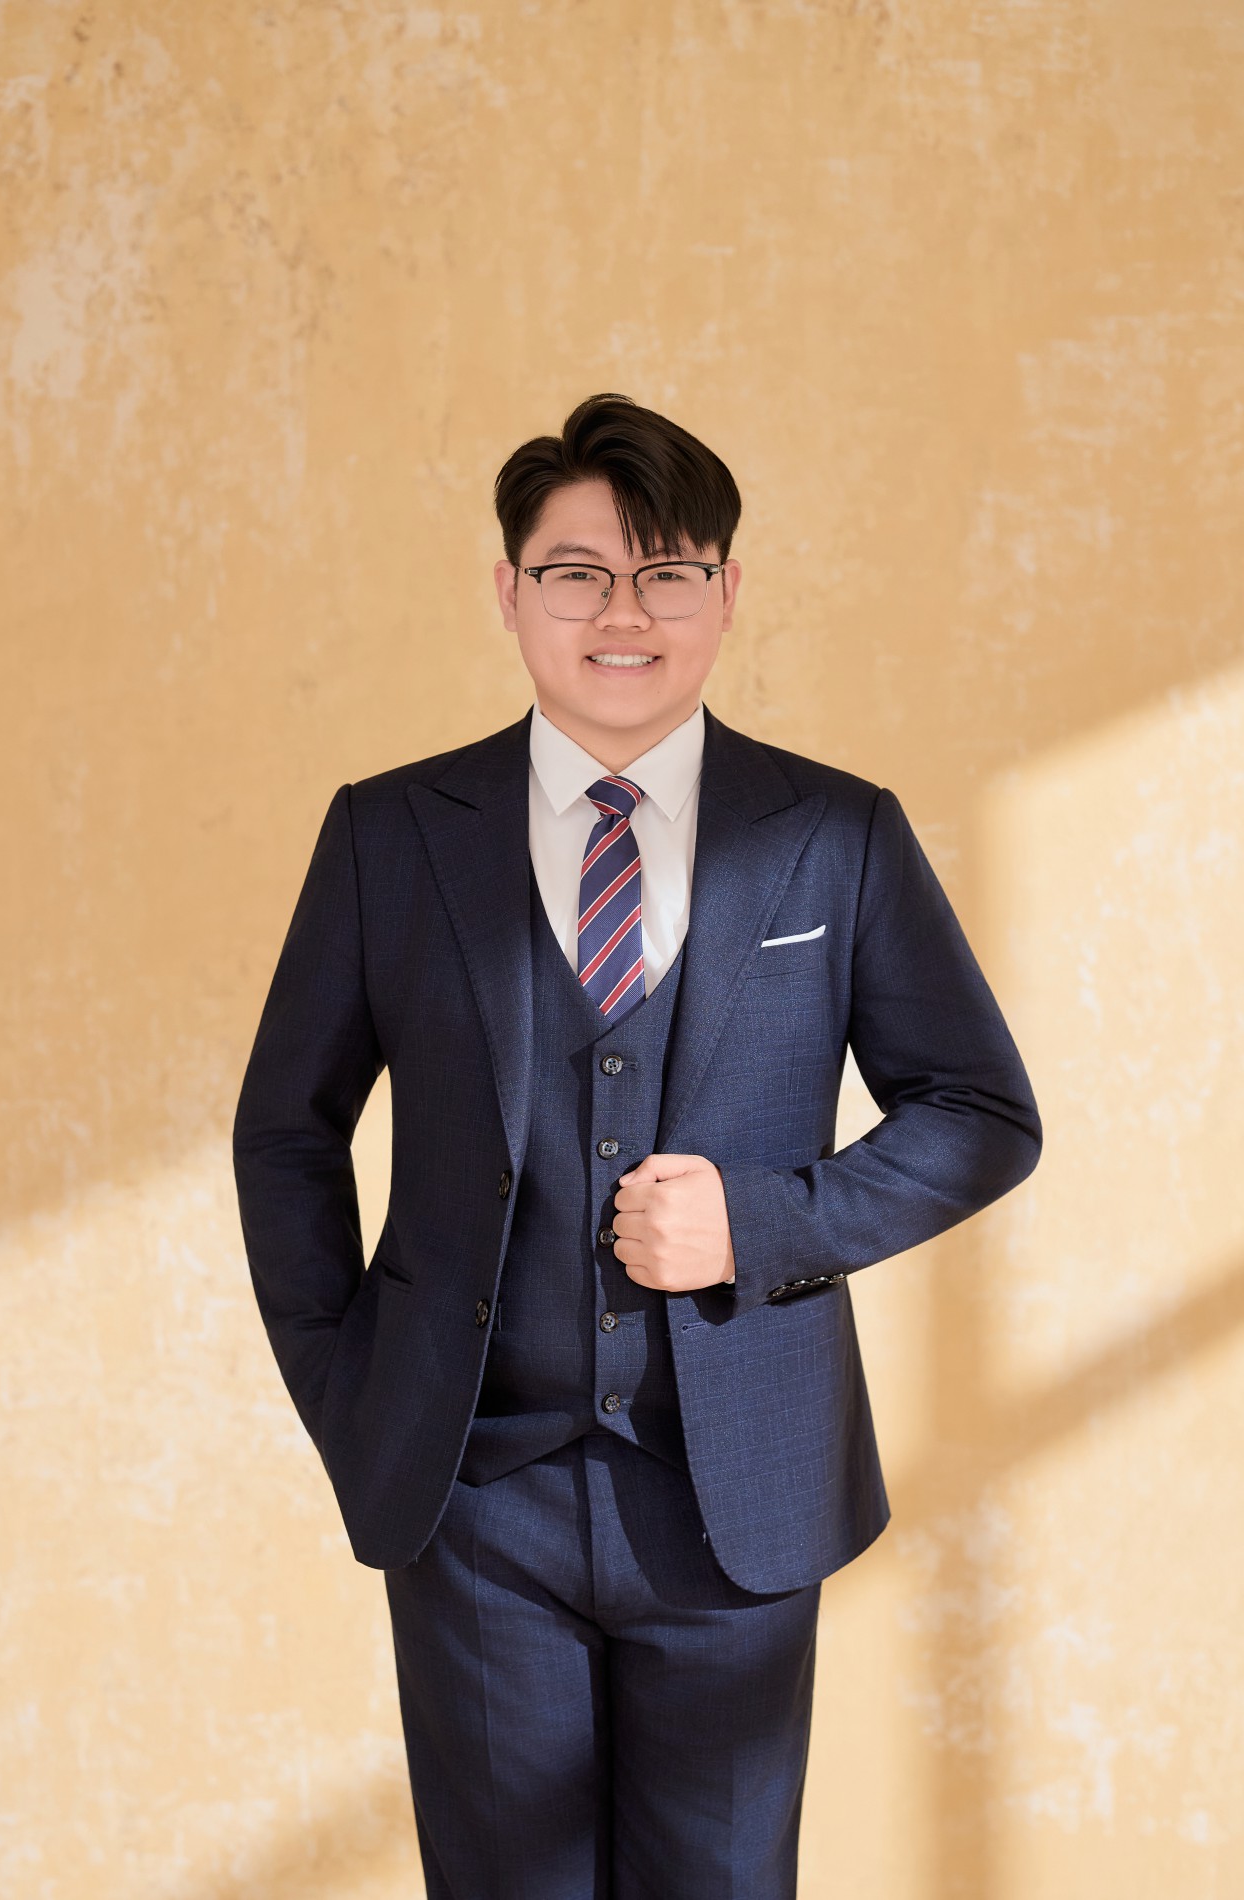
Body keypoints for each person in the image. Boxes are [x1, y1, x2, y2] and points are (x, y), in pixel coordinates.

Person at [232, 392, 1042, 1898]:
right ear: (510, 593)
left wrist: (764, 1221)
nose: (624, 613)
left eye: (667, 572)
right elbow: (287, 1130)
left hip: (739, 1492)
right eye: (578, 573)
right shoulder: (391, 836)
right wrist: (352, 1392)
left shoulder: (836, 834)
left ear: (727, 594)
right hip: (473, 1497)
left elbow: (983, 1116)